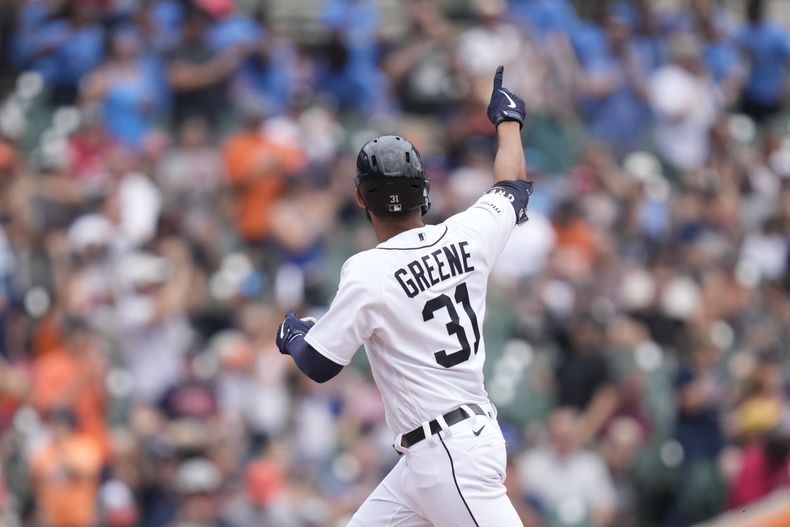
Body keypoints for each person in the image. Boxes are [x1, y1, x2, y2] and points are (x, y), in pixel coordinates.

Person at [276, 66, 530, 525]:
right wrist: (508, 120)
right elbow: (512, 188)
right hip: (428, 456)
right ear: (424, 190)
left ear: (360, 198)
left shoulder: (366, 270)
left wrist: (293, 335)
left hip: (450, 454)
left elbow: (317, 364)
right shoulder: (467, 234)